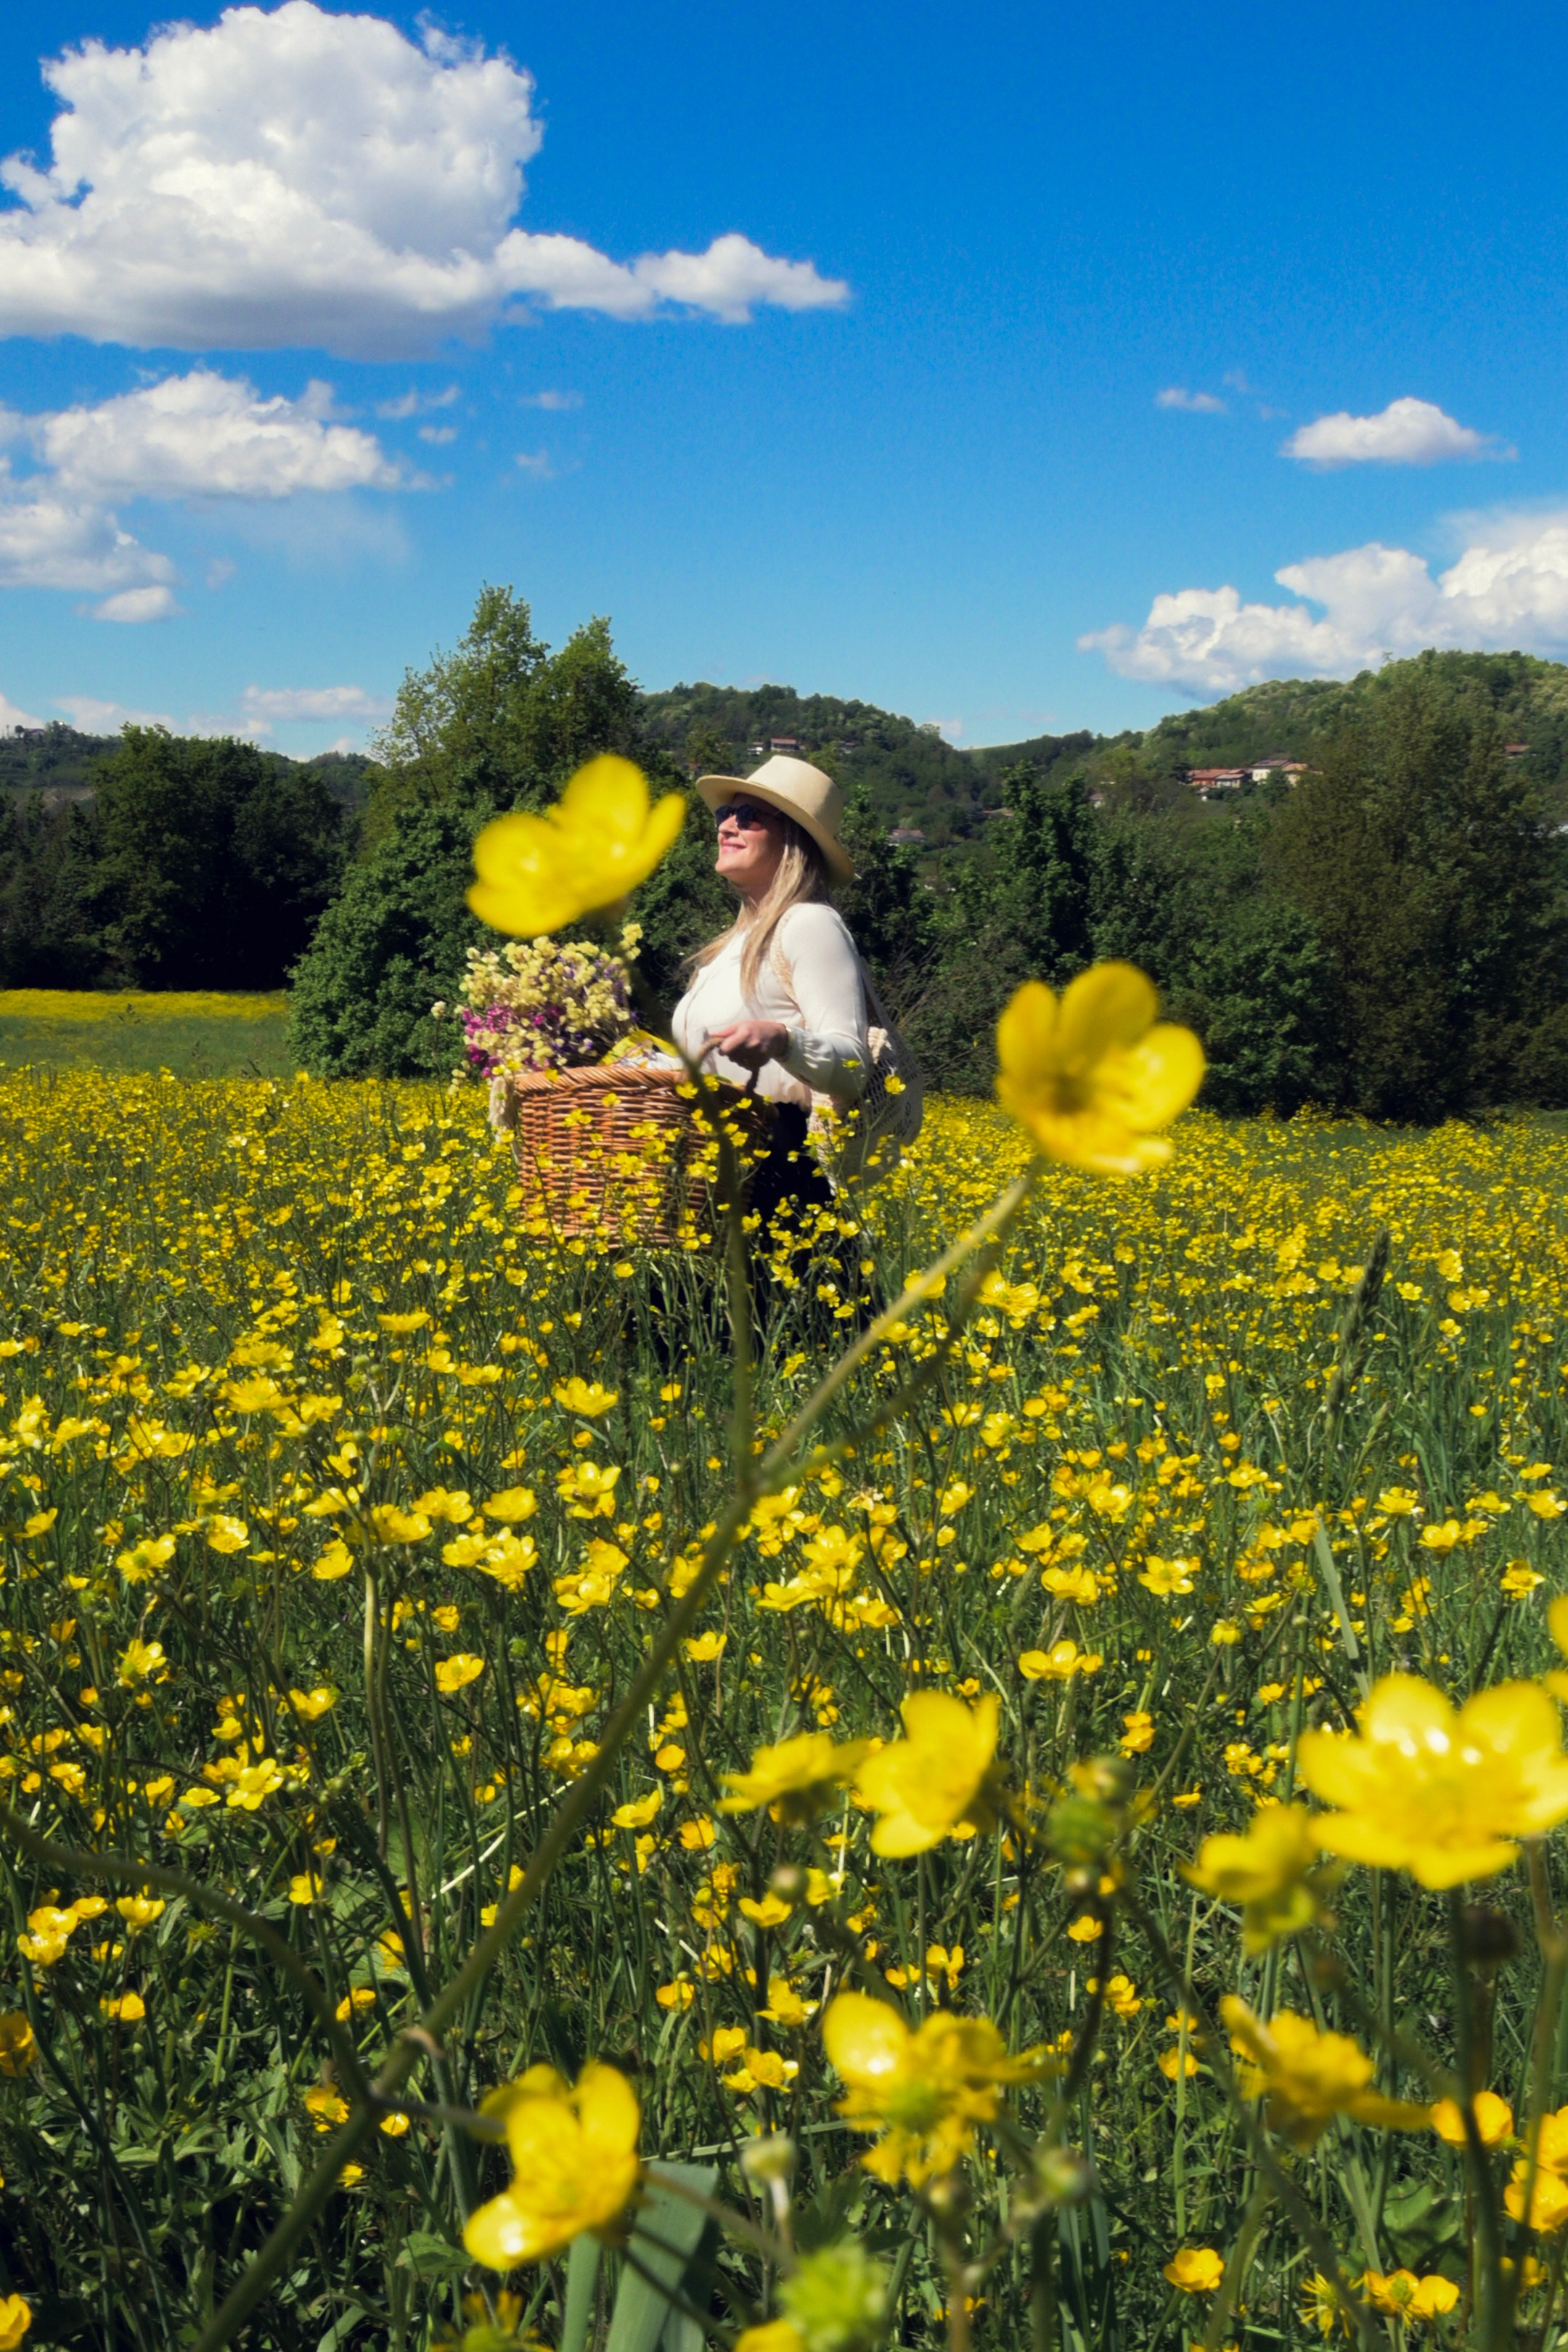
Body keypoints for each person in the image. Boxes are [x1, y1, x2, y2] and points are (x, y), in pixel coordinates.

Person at [670, 754, 869, 1275]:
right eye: (725, 815)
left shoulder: (808, 925)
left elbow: (853, 1065)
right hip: (712, 1170)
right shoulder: (728, 947)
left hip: (778, 1172)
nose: (728, 825)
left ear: (794, 838)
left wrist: (784, 1040)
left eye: (751, 815)